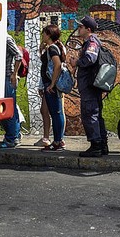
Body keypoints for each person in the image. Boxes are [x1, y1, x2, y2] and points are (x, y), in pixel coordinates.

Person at [69, 15, 108, 157]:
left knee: (90, 114)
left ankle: (96, 145)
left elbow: (90, 59)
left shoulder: (92, 42)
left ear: (88, 29)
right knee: (95, 114)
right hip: (91, 84)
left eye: (81, 27)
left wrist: (77, 62)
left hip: (89, 85)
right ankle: (102, 145)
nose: (78, 29)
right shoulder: (90, 42)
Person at [40, 24, 67, 152]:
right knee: (54, 112)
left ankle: (58, 141)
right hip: (49, 84)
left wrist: (52, 84)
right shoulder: (51, 48)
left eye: (44, 33)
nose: (42, 35)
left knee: (56, 113)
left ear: (49, 35)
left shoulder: (52, 49)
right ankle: (58, 140)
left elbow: (57, 65)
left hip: (51, 86)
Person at [0, 35, 23, 149]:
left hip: (7, 77)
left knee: (9, 108)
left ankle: (12, 138)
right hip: (4, 77)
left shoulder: (6, 39)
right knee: (9, 108)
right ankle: (14, 135)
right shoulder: (1, 38)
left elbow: (18, 55)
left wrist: (14, 74)